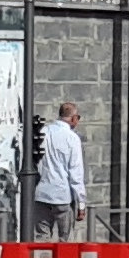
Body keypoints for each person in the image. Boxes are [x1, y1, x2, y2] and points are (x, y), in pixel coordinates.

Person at [31, 102, 86, 243]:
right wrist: (81, 203)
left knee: (41, 238)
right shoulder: (72, 138)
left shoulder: (43, 132)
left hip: (41, 194)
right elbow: (76, 174)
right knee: (65, 241)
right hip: (63, 196)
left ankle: (42, 257)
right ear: (73, 118)